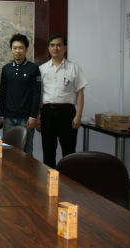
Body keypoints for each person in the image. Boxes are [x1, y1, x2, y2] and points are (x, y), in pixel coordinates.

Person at [38, 34, 87, 169]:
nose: (55, 48)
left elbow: (80, 93)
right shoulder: (42, 69)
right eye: (52, 45)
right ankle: (49, 179)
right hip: (47, 113)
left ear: (65, 47)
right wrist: (38, 116)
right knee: (48, 150)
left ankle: (69, 180)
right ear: (48, 48)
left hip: (67, 113)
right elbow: (38, 95)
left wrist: (78, 116)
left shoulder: (74, 68)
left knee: (69, 150)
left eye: (59, 45)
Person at [0, 33, 41, 156]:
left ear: (26, 49)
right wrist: (1, 115)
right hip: (8, 118)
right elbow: (3, 93)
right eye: (15, 48)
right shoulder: (6, 69)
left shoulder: (33, 68)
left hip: (26, 118)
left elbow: (36, 93)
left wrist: (33, 116)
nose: (18, 51)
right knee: (7, 151)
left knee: (26, 152)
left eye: (21, 48)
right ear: (11, 49)